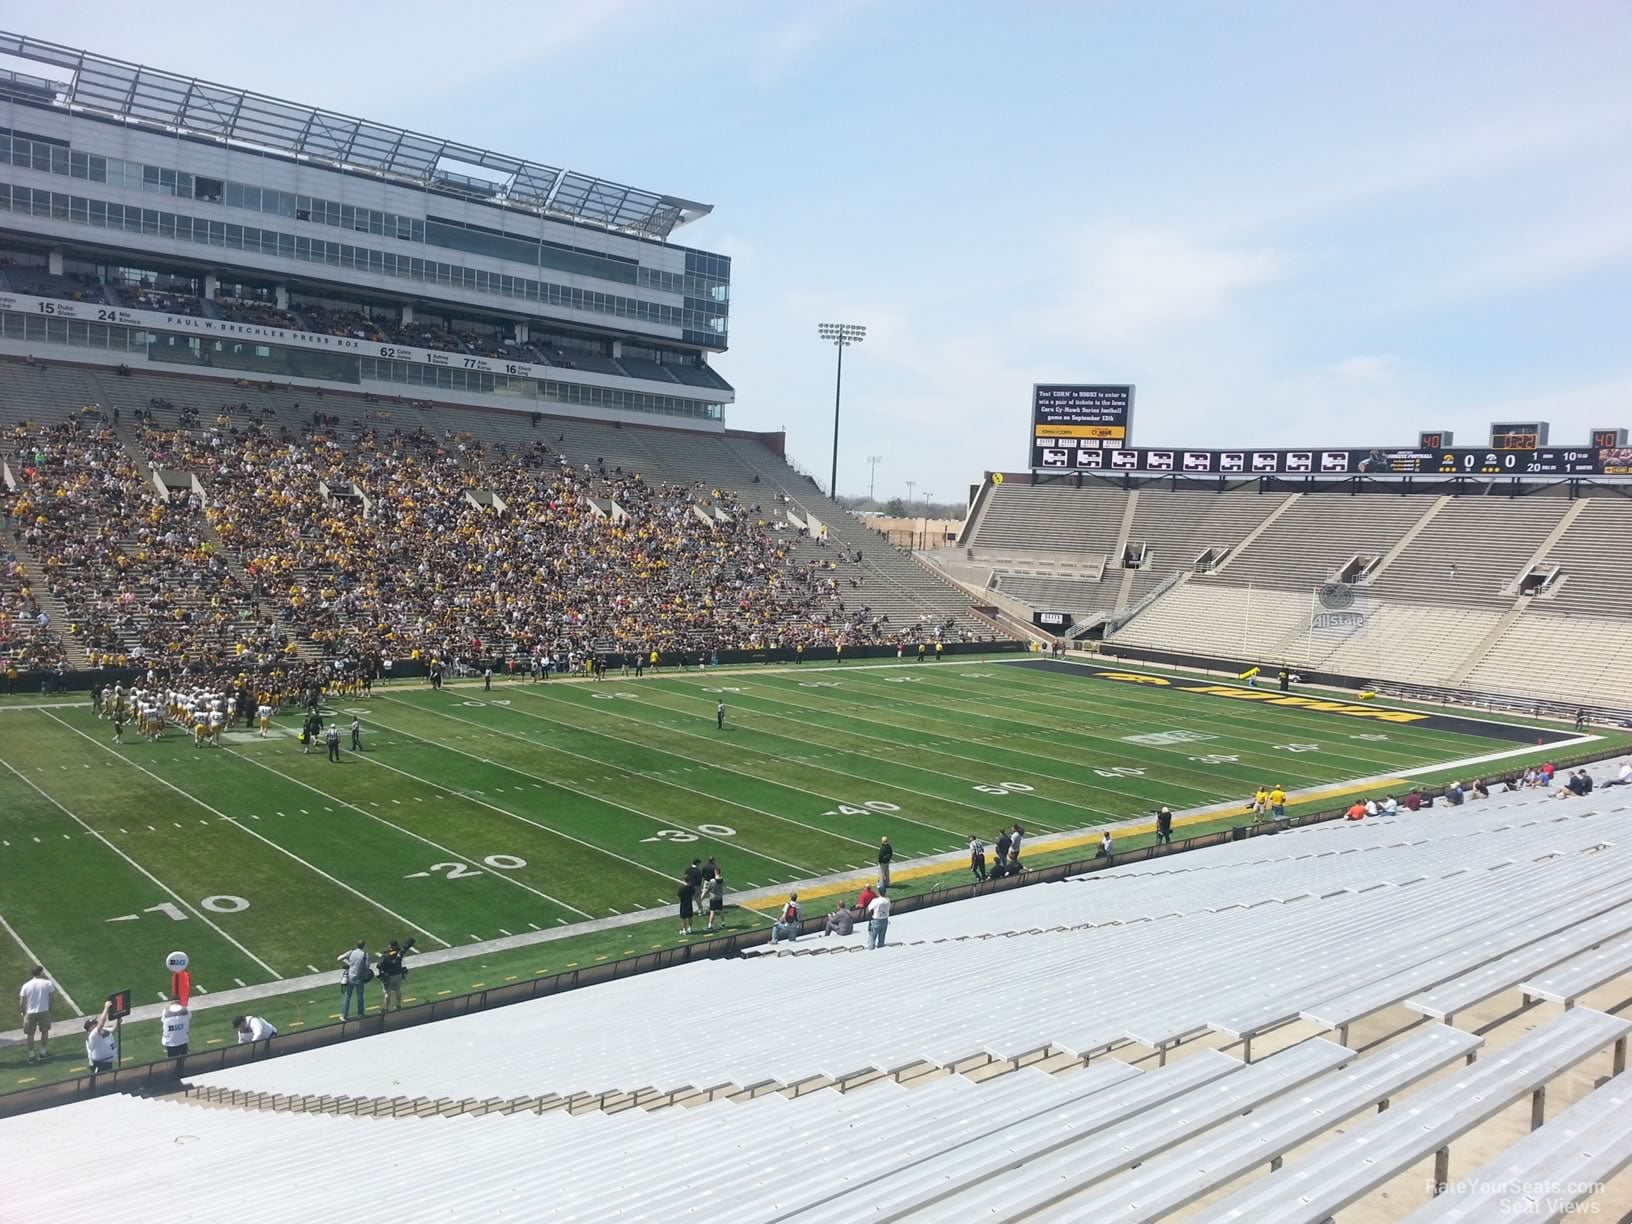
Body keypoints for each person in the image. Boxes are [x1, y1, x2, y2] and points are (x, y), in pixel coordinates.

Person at [18, 965, 55, 1063]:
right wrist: (49, 1008)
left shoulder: (26, 985)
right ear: (41, 973)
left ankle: (31, 1055)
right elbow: (51, 998)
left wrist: (23, 1011)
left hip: (30, 1012)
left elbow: (22, 1002)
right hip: (44, 1011)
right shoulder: (48, 983)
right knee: (45, 1031)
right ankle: (43, 1052)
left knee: (30, 1034)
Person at [336, 940, 370, 1020]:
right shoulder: (365, 955)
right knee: (360, 997)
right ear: (364, 946)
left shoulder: (351, 952)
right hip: (359, 979)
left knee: (347, 996)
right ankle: (360, 1014)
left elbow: (339, 958)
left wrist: (350, 963)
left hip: (350, 978)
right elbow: (367, 966)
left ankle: (344, 1015)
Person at [84, 1001, 117, 1073]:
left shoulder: (100, 1031)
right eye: (94, 1024)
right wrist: (106, 1007)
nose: (96, 1023)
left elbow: (113, 1029)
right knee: (99, 1082)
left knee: (107, 1081)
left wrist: (118, 1021)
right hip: (99, 1064)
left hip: (107, 1062)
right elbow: (101, 1023)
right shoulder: (93, 1035)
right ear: (90, 1028)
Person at [376, 940, 407, 1011]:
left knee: (387, 993)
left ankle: (386, 1008)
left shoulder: (386, 955)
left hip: (389, 976)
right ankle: (398, 1005)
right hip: (398, 974)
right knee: (398, 990)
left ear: (390, 946)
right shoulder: (399, 953)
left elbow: (379, 965)